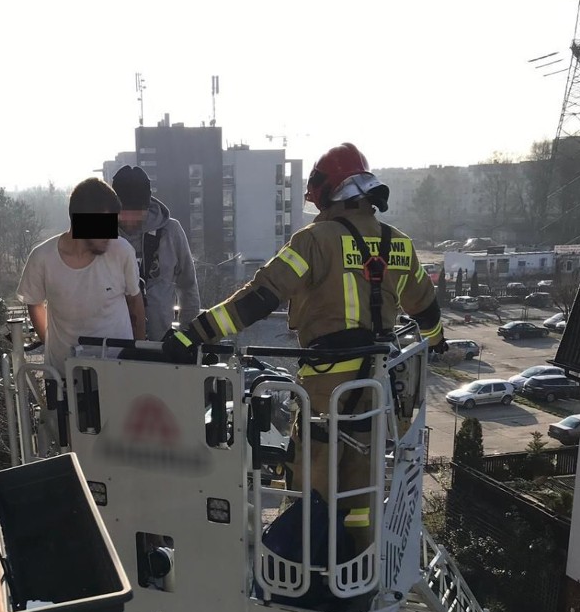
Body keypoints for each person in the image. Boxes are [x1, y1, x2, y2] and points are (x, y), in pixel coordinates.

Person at [161, 144, 447, 551]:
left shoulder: (315, 241)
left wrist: (193, 334)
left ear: (329, 192)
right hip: (381, 389)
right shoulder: (399, 244)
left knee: (308, 479)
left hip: (326, 389)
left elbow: (257, 299)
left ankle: (299, 567)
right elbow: (427, 309)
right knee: (360, 485)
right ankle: (357, 561)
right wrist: (436, 342)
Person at [17, 178, 146, 384]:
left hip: (119, 374)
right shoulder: (42, 258)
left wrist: (139, 356)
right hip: (64, 377)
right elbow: (34, 303)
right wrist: (51, 344)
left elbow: (135, 303)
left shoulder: (121, 252)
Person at [111, 165, 201, 341]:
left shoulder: (171, 231)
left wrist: (186, 338)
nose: (130, 220)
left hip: (160, 342)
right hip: (113, 345)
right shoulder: (98, 236)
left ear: (147, 206)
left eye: (136, 213)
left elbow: (188, 285)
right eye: (123, 213)